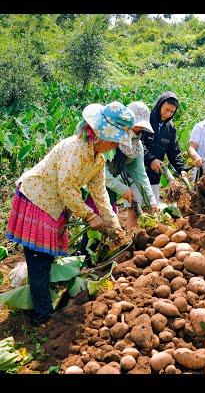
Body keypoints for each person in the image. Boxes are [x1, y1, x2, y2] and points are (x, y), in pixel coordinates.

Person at [5, 102, 133, 326]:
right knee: (39, 259)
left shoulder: (98, 159)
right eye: (113, 140)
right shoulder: (76, 148)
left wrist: (116, 229)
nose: (114, 146)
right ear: (98, 133)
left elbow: (101, 195)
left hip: (56, 205)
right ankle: (43, 317)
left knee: (46, 258)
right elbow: (67, 188)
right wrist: (89, 216)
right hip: (37, 199)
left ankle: (42, 300)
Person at [103, 101, 159, 229]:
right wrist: (123, 189)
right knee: (97, 218)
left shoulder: (137, 146)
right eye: (136, 125)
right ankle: (83, 249)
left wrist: (152, 202)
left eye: (141, 127)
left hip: (111, 187)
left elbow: (140, 175)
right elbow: (101, 173)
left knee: (108, 221)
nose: (139, 129)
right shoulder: (109, 139)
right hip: (93, 184)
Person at [141, 91, 189, 204]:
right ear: (160, 104)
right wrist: (151, 159)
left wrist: (182, 169)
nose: (168, 114)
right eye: (166, 109)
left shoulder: (170, 128)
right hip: (137, 171)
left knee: (152, 210)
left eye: (172, 112)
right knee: (135, 209)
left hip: (154, 175)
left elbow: (174, 152)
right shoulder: (145, 119)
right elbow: (137, 143)